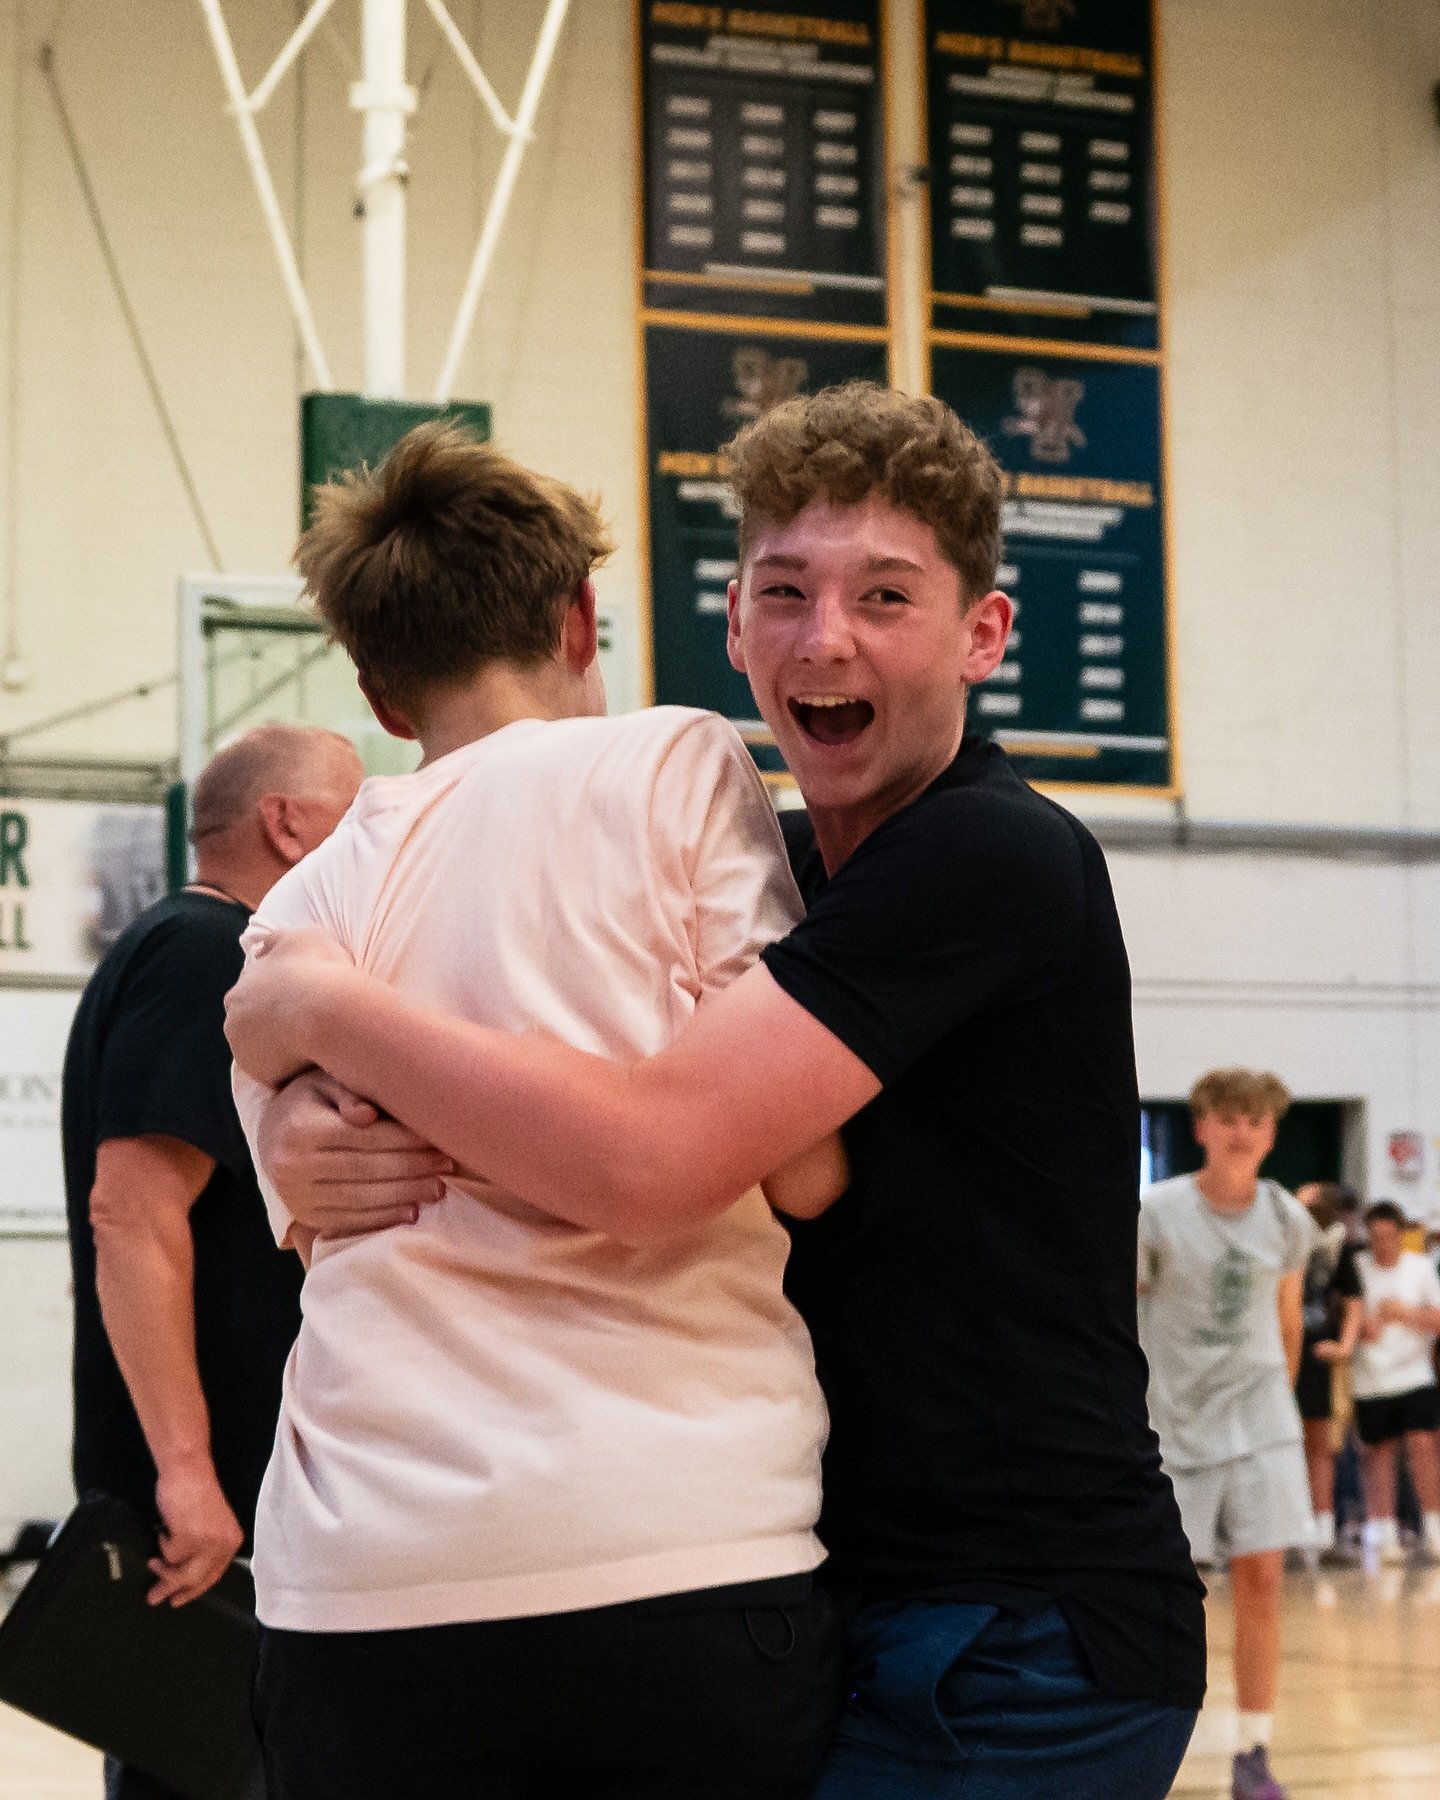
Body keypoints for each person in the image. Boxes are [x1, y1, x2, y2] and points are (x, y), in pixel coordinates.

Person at [229, 383, 1205, 1799]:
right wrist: (282, 1130)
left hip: (1016, 1623)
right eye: (785, 592)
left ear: (983, 634)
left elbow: (656, 1151)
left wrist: (319, 1011)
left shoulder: (987, 855)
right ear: (731, 623)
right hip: (842, 1580)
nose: (827, 637)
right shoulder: (764, 858)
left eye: (886, 596)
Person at [229, 425, 844, 1800]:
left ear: (380, 693)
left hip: (355, 1580)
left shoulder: (289, 927)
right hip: (672, 1533)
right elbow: (800, 1161)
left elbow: (307, 1211)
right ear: (580, 615)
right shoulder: (671, 761)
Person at [61, 722, 362, 1800]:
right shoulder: (206, 951)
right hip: (203, 1511)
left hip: (214, 1495)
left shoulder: (172, 949)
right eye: (353, 808)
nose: (372, 834)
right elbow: (130, 1213)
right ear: (285, 821)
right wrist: (188, 1473)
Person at [1139, 1069, 1315, 1800]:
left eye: (1257, 1121)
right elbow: (1122, 1316)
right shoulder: (1156, 1212)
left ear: (1271, 1134)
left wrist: (1281, 1397)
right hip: (1175, 1426)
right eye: (1229, 1118)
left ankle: (1253, 1750)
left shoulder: (1286, 1218)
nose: (1243, 1131)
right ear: (1202, 1126)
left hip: (1263, 1422)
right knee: (1170, 1596)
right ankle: (1148, 1750)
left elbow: (1289, 1316)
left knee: (1265, 1581)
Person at [1337, 1201, 1440, 1564]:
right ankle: (1383, 1530)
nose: (1382, 1244)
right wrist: (1360, 1326)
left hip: (1414, 1374)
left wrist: (1406, 1313)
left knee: (1423, 1444)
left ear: (1400, 1234)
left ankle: (1433, 1527)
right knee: (1378, 1453)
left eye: (1389, 1236)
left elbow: (1437, 1318)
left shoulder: (1420, 1267)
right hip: (1372, 1378)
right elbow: (1345, 1315)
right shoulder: (1357, 1268)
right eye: (1375, 1237)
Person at [1293, 1181, 1364, 1561]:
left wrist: (1345, 1346)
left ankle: (1321, 1533)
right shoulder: (1278, 1237)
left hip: (1317, 1350)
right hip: (1276, 1351)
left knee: (1319, 1442)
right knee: (1280, 1444)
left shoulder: (1337, 1246)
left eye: (1305, 1197)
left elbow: (1355, 1300)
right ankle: (1283, 1531)